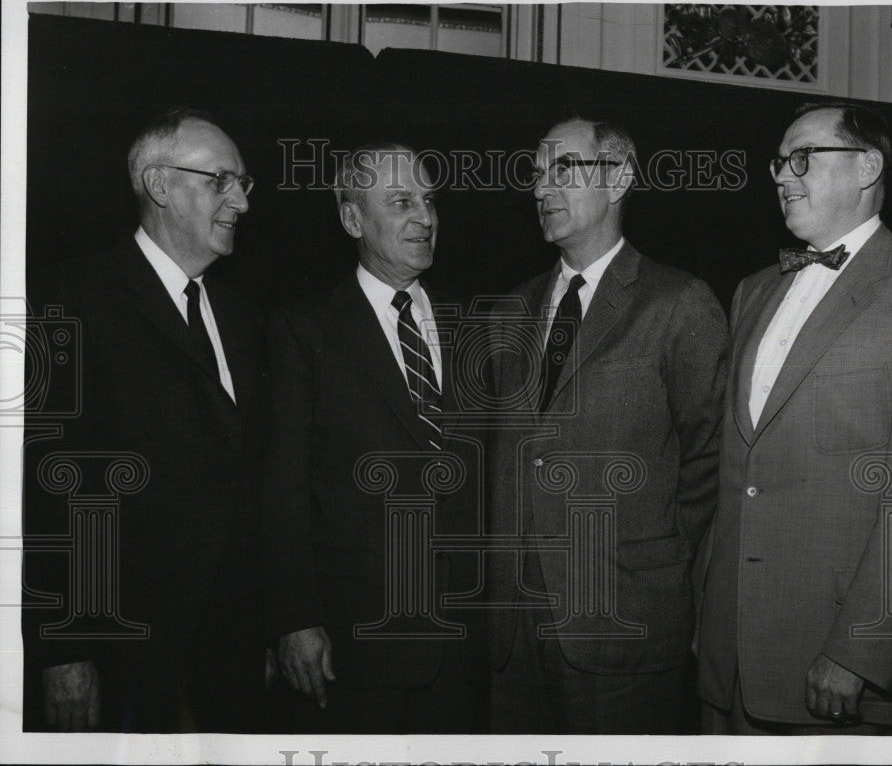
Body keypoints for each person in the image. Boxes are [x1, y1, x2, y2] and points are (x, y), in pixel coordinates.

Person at [697, 102, 892, 733]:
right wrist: (707, 624)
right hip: (730, 659)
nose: (782, 176)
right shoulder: (753, 290)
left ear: (867, 167)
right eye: (778, 163)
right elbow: (738, 477)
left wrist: (860, 653)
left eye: (803, 158)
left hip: (840, 669)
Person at [23, 107, 270, 732]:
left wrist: (266, 628)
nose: (241, 199)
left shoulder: (245, 319)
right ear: (160, 185)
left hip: (229, 652)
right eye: (221, 180)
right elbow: (48, 489)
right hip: (119, 651)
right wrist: (65, 649)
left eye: (243, 182)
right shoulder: (67, 300)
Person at [486, 116, 728, 734]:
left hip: (625, 619)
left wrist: (659, 568)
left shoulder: (679, 302)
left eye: (562, 168)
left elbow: (709, 461)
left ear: (618, 177)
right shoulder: (511, 308)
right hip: (511, 629)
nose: (542, 188)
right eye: (537, 173)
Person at [262, 143, 486, 733]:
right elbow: (282, 489)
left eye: (430, 200)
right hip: (355, 641)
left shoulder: (474, 325)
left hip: (464, 641)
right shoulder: (302, 329)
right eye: (402, 201)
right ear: (352, 219)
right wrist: (295, 620)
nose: (426, 216)